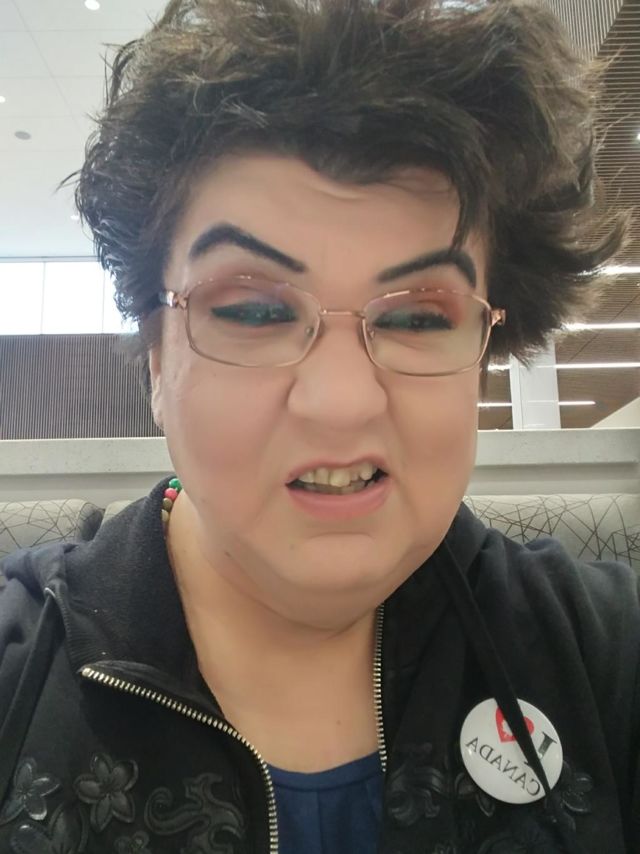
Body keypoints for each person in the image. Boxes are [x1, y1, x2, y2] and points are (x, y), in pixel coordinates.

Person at [0, 0, 636, 852]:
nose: (341, 400)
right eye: (254, 310)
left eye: (418, 318)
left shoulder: (601, 655)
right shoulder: (18, 669)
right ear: (156, 357)